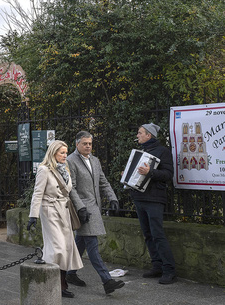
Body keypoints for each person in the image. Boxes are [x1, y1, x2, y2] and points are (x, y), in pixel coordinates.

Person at [65, 131, 125, 294]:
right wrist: (80, 208)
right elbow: (72, 188)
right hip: (84, 210)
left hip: (94, 207)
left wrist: (113, 198)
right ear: (77, 144)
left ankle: (69, 274)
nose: (88, 146)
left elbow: (103, 182)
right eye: (85, 143)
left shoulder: (95, 160)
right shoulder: (70, 161)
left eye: (90, 143)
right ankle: (107, 281)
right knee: (92, 244)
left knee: (81, 242)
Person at [27, 140, 83, 299]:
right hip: (50, 211)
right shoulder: (44, 170)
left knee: (66, 250)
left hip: (64, 211)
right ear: (53, 153)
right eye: (62, 153)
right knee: (57, 249)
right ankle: (51, 283)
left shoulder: (65, 169)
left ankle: (62, 285)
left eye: (66, 152)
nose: (65, 155)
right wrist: (33, 215)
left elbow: (69, 191)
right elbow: (37, 193)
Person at [131, 122, 176, 284]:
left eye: (140, 133)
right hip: (140, 198)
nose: (138, 135)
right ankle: (157, 266)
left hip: (155, 198)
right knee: (148, 235)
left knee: (158, 235)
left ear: (149, 135)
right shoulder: (142, 151)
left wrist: (150, 172)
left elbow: (168, 174)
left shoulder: (163, 152)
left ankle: (169, 270)